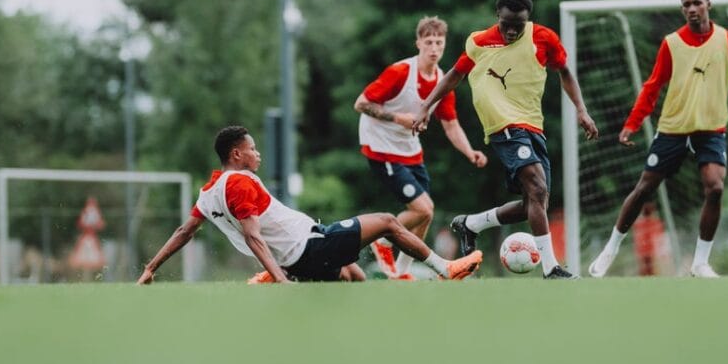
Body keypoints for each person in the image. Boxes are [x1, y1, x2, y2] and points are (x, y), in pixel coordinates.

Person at [137, 126, 483, 284]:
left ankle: (283, 277)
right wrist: (280, 277)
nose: (258, 153)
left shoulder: (209, 190)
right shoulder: (239, 183)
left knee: (354, 275)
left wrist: (151, 267)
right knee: (389, 221)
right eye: (252, 148)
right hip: (309, 248)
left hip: (302, 256)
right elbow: (254, 237)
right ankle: (444, 269)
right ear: (236, 154)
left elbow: (184, 231)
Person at [412, 0, 599, 280]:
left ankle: (471, 224)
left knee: (533, 203)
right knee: (537, 188)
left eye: (519, 24)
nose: (512, 30)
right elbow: (455, 74)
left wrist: (581, 110)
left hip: (532, 125)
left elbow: (564, 71)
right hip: (503, 126)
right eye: (507, 23)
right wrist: (426, 105)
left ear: (528, 19)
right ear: (497, 16)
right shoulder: (478, 41)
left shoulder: (544, 38)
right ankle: (551, 268)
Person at [588, 0, 728, 279]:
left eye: (697, 3)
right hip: (673, 129)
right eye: (686, 5)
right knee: (644, 189)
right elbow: (652, 86)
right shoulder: (671, 43)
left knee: (715, 187)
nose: (692, 9)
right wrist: (632, 124)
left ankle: (700, 263)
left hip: (711, 130)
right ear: (682, 9)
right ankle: (610, 251)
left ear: (708, 5)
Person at [355, 16, 487, 279]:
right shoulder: (400, 72)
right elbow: (360, 103)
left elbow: (451, 126)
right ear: (418, 43)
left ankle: (401, 273)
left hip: (409, 148)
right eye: (429, 42)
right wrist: (398, 118)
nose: (434, 48)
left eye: (439, 42)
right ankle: (382, 239)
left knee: (425, 215)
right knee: (423, 208)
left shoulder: (443, 81)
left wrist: (469, 151)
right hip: (381, 146)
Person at [632, 202, 666, 277]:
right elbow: (659, 235)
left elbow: (636, 237)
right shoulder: (655, 222)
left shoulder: (638, 223)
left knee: (643, 269)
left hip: (642, 249)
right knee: (652, 269)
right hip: (651, 249)